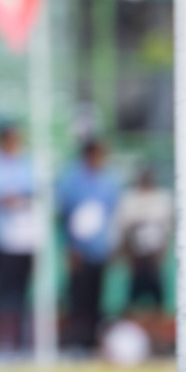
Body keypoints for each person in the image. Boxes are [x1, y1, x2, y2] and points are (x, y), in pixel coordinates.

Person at [57, 138, 120, 353]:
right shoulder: (72, 180)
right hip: (79, 250)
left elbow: (112, 215)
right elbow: (64, 214)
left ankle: (92, 341)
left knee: (96, 297)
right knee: (77, 297)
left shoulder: (109, 180)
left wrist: (112, 245)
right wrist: (69, 246)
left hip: (99, 249)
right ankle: (76, 340)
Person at [0, 122, 36, 352]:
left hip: (25, 240)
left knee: (22, 294)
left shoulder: (27, 163)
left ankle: (20, 342)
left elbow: (31, 192)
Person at [113, 167, 171, 312]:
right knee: (134, 295)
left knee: (157, 295)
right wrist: (127, 253)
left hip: (153, 255)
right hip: (136, 255)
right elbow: (125, 229)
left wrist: (161, 253)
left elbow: (165, 230)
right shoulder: (130, 199)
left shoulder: (161, 199)